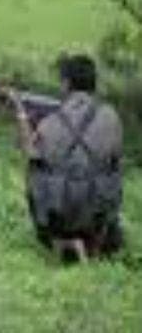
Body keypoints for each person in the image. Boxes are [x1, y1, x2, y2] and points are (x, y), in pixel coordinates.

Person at [8, 54, 123, 262]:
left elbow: (29, 150)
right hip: (98, 214)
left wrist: (21, 113)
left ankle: (57, 237)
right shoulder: (111, 117)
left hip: (59, 217)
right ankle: (97, 238)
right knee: (110, 170)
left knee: (36, 167)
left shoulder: (50, 122)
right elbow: (114, 157)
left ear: (66, 83)